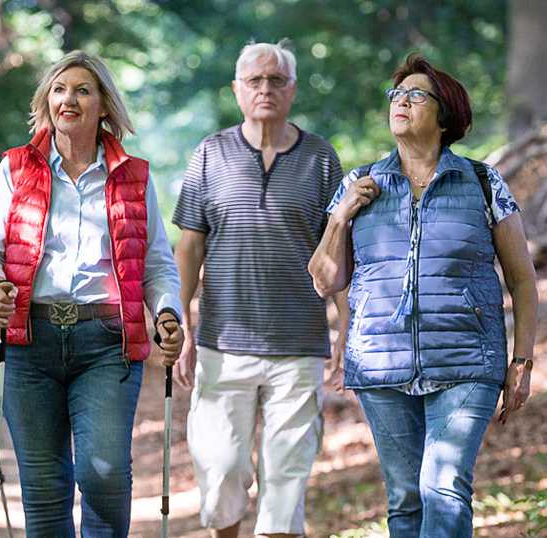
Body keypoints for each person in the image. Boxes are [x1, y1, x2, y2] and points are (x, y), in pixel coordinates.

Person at [306, 52, 540, 538]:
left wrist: (522, 362)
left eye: (416, 95)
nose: (402, 102)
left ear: (444, 115)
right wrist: (339, 216)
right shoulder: (360, 184)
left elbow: (522, 279)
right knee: (405, 498)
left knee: (444, 483)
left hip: (467, 361)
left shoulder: (482, 182)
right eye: (397, 94)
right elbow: (324, 280)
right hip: (381, 363)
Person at [0, 50, 185, 537]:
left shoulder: (133, 176)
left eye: (83, 90)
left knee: (103, 473)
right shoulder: (17, 168)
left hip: (105, 340)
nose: (70, 98)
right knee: (44, 486)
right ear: (47, 101)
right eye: (60, 89)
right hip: (26, 341)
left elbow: (157, 264)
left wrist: (168, 312)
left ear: (103, 104)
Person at [171, 41, 345, 538]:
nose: (265, 89)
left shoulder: (320, 158)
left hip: (299, 344)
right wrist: (182, 323)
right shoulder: (210, 153)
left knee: (287, 479)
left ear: (292, 90)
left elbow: (337, 252)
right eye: (255, 81)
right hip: (223, 343)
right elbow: (189, 247)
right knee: (222, 469)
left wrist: (347, 329)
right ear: (237, 90)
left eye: (276, 81)